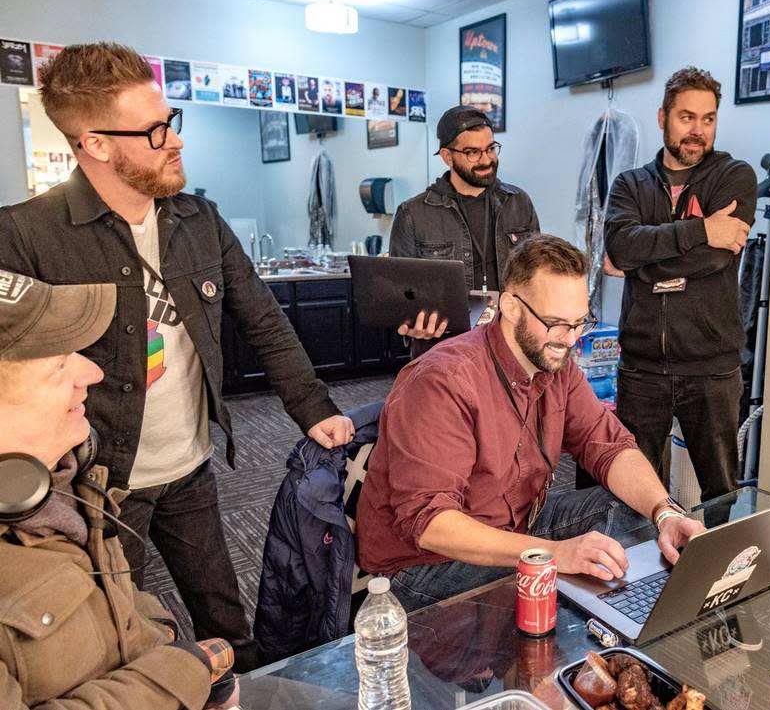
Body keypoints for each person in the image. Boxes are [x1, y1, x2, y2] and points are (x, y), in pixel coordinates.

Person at [0, 41, 354, 670]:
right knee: (111, 634)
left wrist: (312, 406)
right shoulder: (25, 235)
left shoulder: (199, 220)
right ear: (96, 144)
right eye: (154, 130)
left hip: (190, 466)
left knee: (223, 614)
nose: (175, 140)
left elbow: (264, 321)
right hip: (96, 486)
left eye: (172, 122)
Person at [355, 235, 704, 612]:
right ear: (510, 306)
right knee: (559, 584)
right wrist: (554, 554)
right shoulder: (444, 380)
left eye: (579, 323)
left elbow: (608, 444)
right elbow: (431, 524)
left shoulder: (556, 364)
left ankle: (610, 612)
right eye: (555, 324)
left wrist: (665, 512)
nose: (569, 340)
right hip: (423, 566)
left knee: (633, 509)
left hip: (515, 527)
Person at [0, 269, 238, 709]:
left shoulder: (65, 486)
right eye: (57, 364)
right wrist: (178, 675)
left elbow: (103, 596)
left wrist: (154, 630)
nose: (92, 372)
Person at [603, 66, 757, 502]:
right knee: (635, 489)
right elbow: (621, 245)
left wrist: (639, 263)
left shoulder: (734, 177)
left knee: (720, 492)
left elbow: (714, 258)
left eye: (708, 119)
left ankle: (724, 571)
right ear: (662, 117)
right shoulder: (629, 184)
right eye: (687, 117)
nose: (697, 130)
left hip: (711, 367)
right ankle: (639, 570)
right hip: (642, 366)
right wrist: (701, 230)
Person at [388, 104, 540, 356]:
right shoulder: (413, 214)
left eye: (490, 148)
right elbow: (401, 297)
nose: (486, 159)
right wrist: (412, 324)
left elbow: (535, 274)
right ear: (448, 156)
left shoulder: (518, 202)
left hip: (509, 346)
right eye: (472, 152)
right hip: (443, 352)